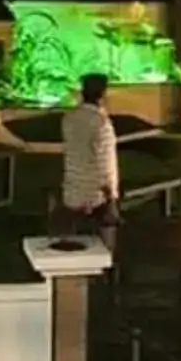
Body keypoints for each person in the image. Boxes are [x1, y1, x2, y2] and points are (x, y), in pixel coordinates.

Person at [59, 70, 120, 241]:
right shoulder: (101, 123)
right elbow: (105, 163)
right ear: (103, 94)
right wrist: (111, 199)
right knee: (107, 230)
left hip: (72, 189)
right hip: (96, 195)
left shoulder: (69, 118)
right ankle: (107, 260)